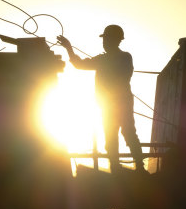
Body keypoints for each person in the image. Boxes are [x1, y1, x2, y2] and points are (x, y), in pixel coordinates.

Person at [57, 25, 145, 172]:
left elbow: (122, 77)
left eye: (106, 39)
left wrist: (69, 48)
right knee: (113, 135)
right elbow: (79, 65)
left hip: (118, 103)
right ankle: (117, 168)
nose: (104, 42)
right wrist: (68, 48)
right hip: (110, 104)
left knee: (127, 133)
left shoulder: (123, 57)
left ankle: (138, 167)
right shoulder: (108, 59)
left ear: (115, 40)